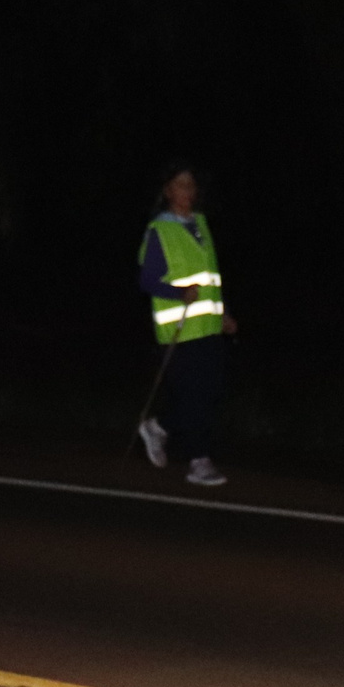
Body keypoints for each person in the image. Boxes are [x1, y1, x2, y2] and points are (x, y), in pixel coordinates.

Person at [136, 165, 235, 487]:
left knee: (212, 391)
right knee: (194, 396)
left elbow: (210, 279)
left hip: (208, 325)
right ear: (168, 191)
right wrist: (178, 292)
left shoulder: (200, 224)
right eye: (180, 185)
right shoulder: (160, 230)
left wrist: (223, 314)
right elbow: (147, 280)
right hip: (179, 327)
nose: (187, 191)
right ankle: (198, 461)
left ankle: (159, 427)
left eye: (191, 184)